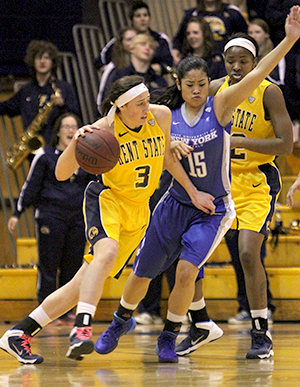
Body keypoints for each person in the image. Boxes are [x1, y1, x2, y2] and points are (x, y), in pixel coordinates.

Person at [93, 6, 300, 363]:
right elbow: (129, 106)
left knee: (212, 263)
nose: (197, 91)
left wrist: (289, 40)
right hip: (181, 199)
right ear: (180, 84)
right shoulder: (168, 112)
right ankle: (148, 321)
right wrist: (95, 127)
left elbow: (264, 76)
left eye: (202, 85)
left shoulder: (223, 103)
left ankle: (192, 334)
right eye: (190, 85)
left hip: (227, 196)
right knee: (154, 268)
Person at [0, 74, 204, 365]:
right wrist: (75, 143)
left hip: (139, 211)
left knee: (78, 285)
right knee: (105, 253)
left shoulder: (159, 116)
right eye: (140, 103)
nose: (148, 107)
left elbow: (165, 155)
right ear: (120, 107)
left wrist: (186, 176)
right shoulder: (102, 131)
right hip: (108, 200)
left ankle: (20, 333)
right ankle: (82, 328)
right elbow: (60, 173)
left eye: (147, 101)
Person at [177, 23, 297, 359]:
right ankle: (198, 323)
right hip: (219, 183)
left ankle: (261, 332)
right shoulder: (214, 88)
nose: (236, 67)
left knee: (248, 253)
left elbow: (286, 145)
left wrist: (241, 141)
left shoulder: (269, 92)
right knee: (188, 253)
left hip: (257, 182)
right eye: (231, 60)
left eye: (243, 60)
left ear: (256, 61)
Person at [7, 113, 92, 321]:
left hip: (77, 218)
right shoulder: (45, 155)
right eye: (66, 127)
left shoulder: (86, 156)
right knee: (48, 266)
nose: (71, 131)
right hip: (50, 216)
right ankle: (44, 314)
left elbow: (93, 188)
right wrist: (17, 213)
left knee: (72, 267)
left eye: (74, 126)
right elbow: (31, 186)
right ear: (58, 131)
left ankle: (65, 311)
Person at [0, 40, 81, 148]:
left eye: (46, 58)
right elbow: (7, 107)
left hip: (57, 147)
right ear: (32, 61)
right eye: (39, 58)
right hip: (34, 148)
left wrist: (62, 105)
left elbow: (76, 115)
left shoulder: (64, 88)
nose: (42, 61)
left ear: (53, 62)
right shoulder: (26, 91)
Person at [95, 1, 173, 75]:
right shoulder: (123, 37)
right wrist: (112, 73)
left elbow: (169, 63)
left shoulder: (160, 38)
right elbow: (100, 61)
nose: (142, 19)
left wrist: (149, 69)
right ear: (132, 19)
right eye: (138, 16)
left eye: (145, 15)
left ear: (149, 18)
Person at [99, 33, 168, 109]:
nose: (147, 48)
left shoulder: (159, 80)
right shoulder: (119, 75)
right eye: (143, 44)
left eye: (151, 47)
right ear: (132, 48)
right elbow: (107, 102)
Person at [172, 0, 248, 64]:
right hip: (201, 59)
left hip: (228, 59)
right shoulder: (192, 14)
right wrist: (175, 52)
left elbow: (244, 36)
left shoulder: (231, 12)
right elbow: (179, 39)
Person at [96, 27, 137, 115]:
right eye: (129, 39)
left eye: (136, 38)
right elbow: (103, 97)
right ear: (121, 43)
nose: (133, 42)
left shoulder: (144, 65)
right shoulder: (112, 67)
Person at [180, 16, 227, 80]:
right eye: (188, 33)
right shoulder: (184, 60)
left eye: (195, 33)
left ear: (205, 34)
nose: (191, 36)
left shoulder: (216, 59)